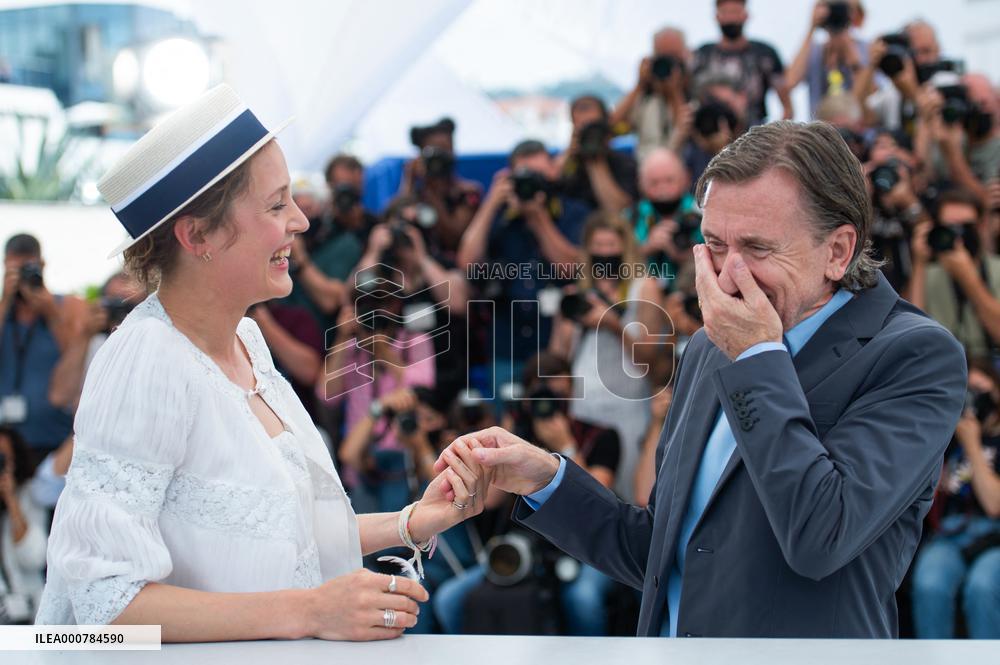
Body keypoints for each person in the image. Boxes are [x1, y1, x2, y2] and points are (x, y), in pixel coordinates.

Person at [436, 121, 968, 637]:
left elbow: (821, 536)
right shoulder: (712, 346)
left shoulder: (914, 355)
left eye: (758, 248)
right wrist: (546, 480)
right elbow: (665, 553)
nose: (728, 274)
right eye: (714, 244)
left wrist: (757, 356)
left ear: (837, 251)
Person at [35, 85, 492, 641]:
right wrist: (312, 611)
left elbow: (277, 534)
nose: (300, 221)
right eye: (277, 205)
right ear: (197, 234)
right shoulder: (147, 361)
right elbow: (106, 603)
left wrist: (412, 519)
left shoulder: (247, 340)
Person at [458, 140, 589, 402]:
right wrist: (491, 203)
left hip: (556, 347)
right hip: (508, 343)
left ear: (554, 172)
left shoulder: (573, 212)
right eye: (525, 177)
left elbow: (572, 268)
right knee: (506, 420)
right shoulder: (500, 216)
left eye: (540, 175)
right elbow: (467, 263)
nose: (534, 184)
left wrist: (538, 218)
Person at [547, 212, 668, 499]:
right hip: (583, 406)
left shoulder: (644, 287)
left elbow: (649, 361)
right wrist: (567, 324)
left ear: (624, 248)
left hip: (628, 405)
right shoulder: (578, 291)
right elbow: (556, 358)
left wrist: (613, 324)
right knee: (583, 494)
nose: (604, 254)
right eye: (597, 247)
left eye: (610, 246)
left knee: (630, 494)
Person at [911, 358, 1000, 640]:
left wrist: (973, 444)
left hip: (993, 537)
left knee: (982, 588)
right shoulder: (949, 440)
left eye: (980, 391)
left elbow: (994, 505)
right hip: (950, 533)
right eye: (967, 393)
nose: (973, 402)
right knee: (929, 584)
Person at [0, 234, 86, 471]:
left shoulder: (68, 306)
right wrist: (6, 301)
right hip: (6, 445)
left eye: (29, 269)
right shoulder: (3, 310)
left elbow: (79, 358)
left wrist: (51, 314)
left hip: (55, 440)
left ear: (42, 265)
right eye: (16, 270)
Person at [908, 188, 1000, 358]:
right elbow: (911, 336)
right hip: (942, 362)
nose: (958, 237)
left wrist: (968, 278)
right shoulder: (927, 275)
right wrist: (919, 262)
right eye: (949, 228)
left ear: (982, 226)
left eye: (966, 228)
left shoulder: (997, 269)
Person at [691, 0, 793, 127]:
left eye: (735, 12)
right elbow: (689, 95)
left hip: (754, 130)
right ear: (717, 16)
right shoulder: (702, 55)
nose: (731, 18)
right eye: (725, 12)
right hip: (709, 130)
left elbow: (787, 105)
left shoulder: (765, 54)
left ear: (746, 15)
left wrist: (773, 135)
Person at [610, 27, 691, 162]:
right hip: (646, 166)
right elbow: (612, 124)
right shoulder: (644, 97)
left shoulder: (695, 91)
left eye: (673, 56)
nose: (668, 64)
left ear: (685, 55)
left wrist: (675, 93)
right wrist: (640, 84)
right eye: (662, 56)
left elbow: (684, 131)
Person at [557, 96, 640, 215]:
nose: (590, 133)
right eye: (583, 127)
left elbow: (620, 210)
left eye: (594, 127)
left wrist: (596, 162)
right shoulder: (569, 165)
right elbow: (551, 182)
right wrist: (569, 153)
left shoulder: (625, 164)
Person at [786, 1, 868, 119]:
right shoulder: (814, 51)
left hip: (855, 125)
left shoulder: (866, 49)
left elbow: (870, 94)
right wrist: (812, 28)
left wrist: (850, 53)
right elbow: (790, 82)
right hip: (819, 127)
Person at [0, 426, 48, 624]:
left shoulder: (30, 494)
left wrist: (11, 500)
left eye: (2, 459)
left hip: (25, 612)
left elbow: (34, 558)